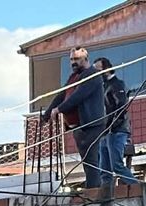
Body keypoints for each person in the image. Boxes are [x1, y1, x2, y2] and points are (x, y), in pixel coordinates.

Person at [42, 46, 105, 188]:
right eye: (71, 59)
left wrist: (59, 109)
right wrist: (47, 114)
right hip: (78, 126)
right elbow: (62, 95)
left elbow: (78, 96)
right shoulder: (74, 77)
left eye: (76, 59)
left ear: (85, 58)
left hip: (91, 124)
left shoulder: (93, 75)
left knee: (91, 161)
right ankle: (93, 188)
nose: (73, 62)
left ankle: (94, 192)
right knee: (87, 161)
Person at [94, 57, 137, 186]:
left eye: (97, 70)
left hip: (116, 131)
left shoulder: (117, 84)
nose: (95, 74)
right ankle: (106, 197)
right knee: (104, 170)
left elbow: (121, 107)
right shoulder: (103, 86)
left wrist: (112, 125)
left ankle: (138, 187)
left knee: (117, 166)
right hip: (106, 132)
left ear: (106, 70)